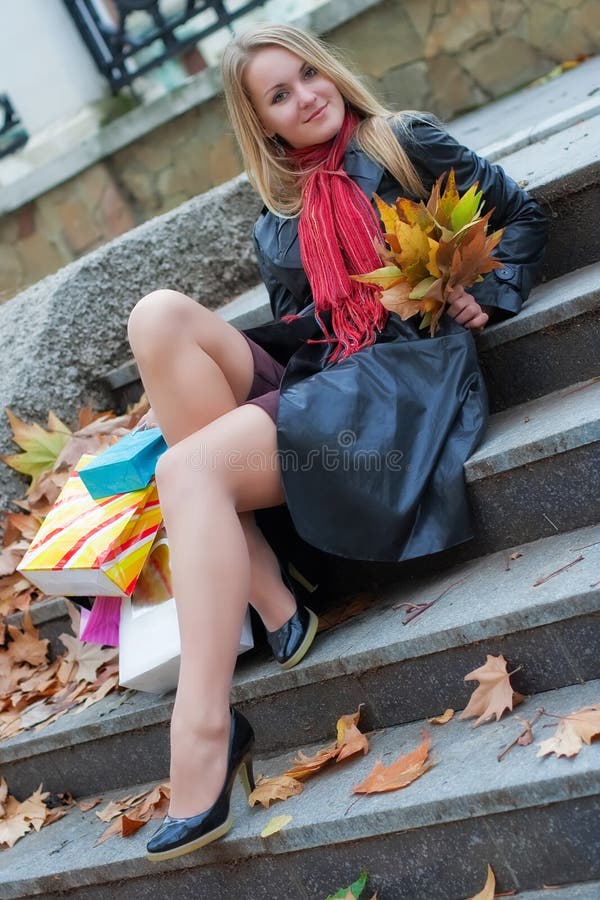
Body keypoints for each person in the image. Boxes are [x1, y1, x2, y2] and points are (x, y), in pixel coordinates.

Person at [128, 24, 548, 862]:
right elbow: (306, 333)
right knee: (157, 317)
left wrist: (488, 294)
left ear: (331, 71)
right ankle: (275, 601)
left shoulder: (402, 143)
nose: (306, 97)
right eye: (279, 96)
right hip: (334, 383)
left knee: (188, 468)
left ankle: (207, 727)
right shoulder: (278, 219)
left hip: (403, 387)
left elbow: (522, 214)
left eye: (308, 75)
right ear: (265, 125)